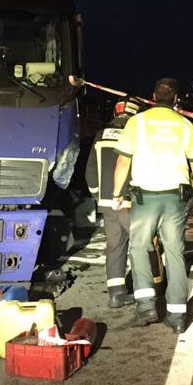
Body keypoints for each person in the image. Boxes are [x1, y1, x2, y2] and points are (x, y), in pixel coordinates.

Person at [112, 77, 193, 333]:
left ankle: (146, 307)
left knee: (140, 247)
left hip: (145, 199)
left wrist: (116, 193)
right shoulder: (185, 124)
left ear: (153, 96)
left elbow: (123, 161)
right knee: (175, 252)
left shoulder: (137, 122)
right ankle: (177, 317)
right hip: (175, 199)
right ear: (176, 98)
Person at [85, 96, 149, 308]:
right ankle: (145, 293)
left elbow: (90, 172)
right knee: (142, 246)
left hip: (107, 204)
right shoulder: (137, 135)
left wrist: (98, 196)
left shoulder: (100, 135)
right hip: (130, 203)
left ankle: (116, 293)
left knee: (114, 246)